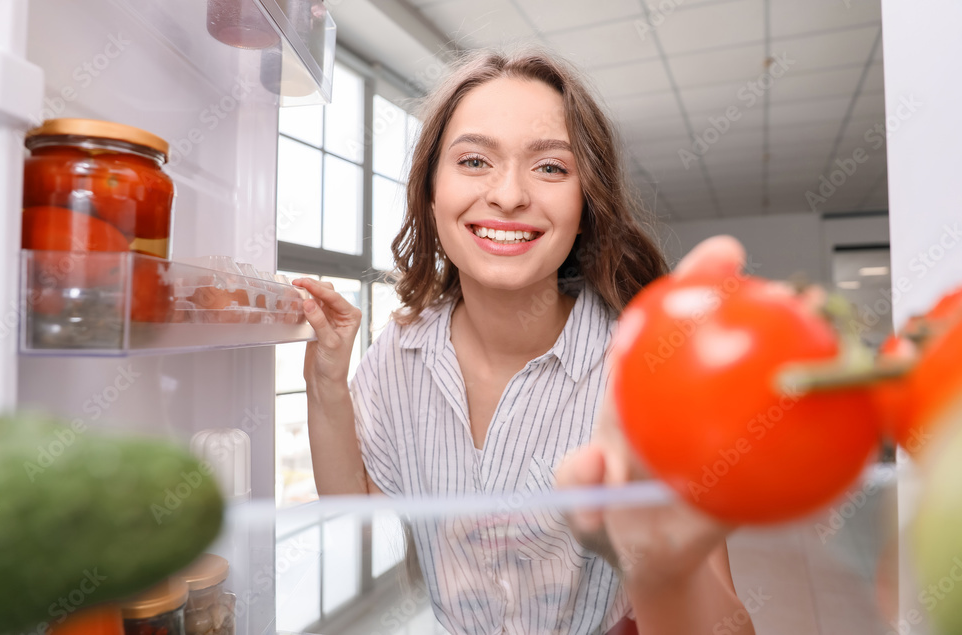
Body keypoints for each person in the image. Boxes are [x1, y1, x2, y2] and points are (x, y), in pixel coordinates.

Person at [294, 49, 755, 634]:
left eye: (551, 168)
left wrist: (660, 550)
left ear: (587, 205)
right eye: (474, 160)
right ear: (431, 192)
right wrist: (326, 381)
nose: (508, 195)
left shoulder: (648, 369)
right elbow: (356, 518)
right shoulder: (399, 354)